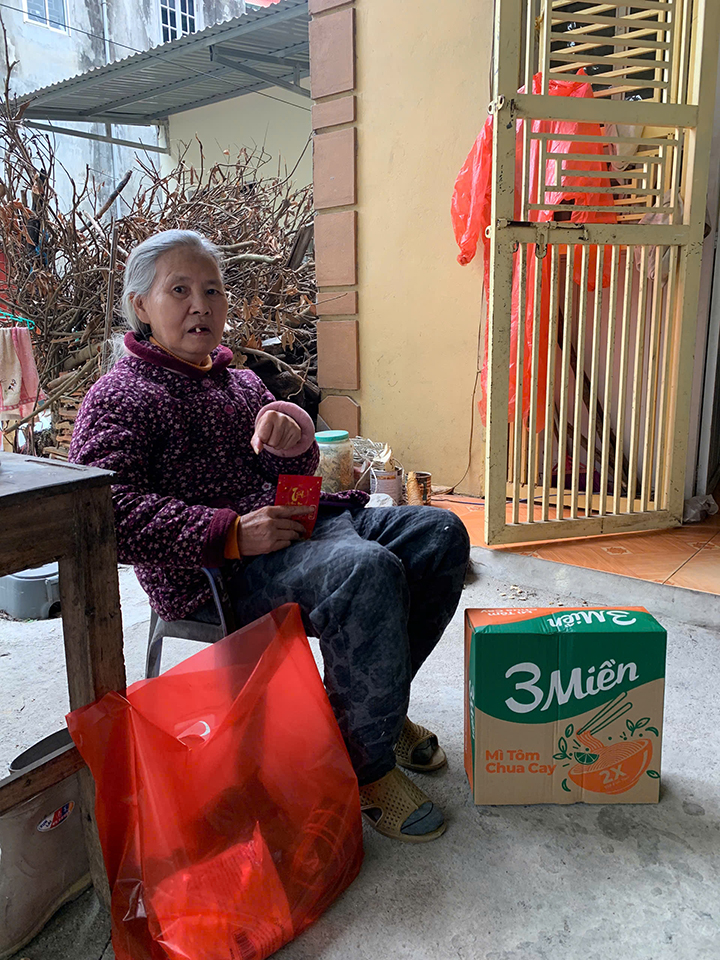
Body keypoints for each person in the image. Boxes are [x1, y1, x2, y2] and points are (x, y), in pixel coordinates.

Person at [69, 229, 470, 843]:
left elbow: (293, 478)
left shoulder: (240, 382)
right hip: (216, 574)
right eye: (179, 290)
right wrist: (229, 533)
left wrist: (293, 441)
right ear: (141, 306)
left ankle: (373, 717)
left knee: (439, 533)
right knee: (365, 572)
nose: (200, 305)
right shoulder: (120, 396)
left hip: (295, 531)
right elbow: (108, 514)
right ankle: (365, 768)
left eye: (212, 290)